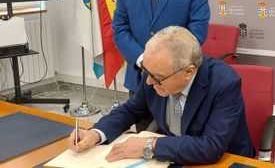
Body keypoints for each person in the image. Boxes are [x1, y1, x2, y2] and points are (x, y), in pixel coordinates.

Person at [68, 26, 255, 165]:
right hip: (171, 157)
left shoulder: (224, 83)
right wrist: (95, 133)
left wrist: (149, 145)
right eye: (146, 72)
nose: (148, 82)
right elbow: (131, 109)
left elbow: (210, 147)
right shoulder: (155, 70)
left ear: (188, 72)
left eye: (156, 78)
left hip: (226, 160)